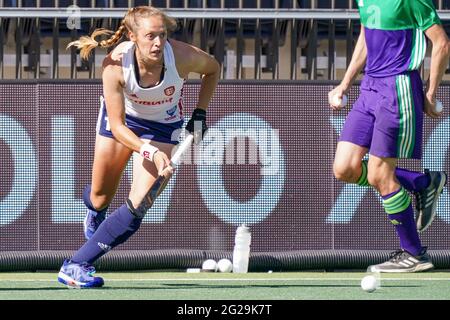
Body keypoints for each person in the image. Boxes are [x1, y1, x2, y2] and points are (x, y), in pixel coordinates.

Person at [57, 6, 220, 288]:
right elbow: (119, 127)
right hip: (121, 123)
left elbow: (213, 69)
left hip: (162, 127)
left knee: (139, 207)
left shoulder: (180, 56)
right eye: (150, 36)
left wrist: (200, 113)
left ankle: (75, 265)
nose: (158, 43)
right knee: (99, 197)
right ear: (132, 36)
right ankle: (97, 210)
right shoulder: (114, 65)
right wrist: (150, 152)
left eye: (163, 35)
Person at [329, 0, 449, 272]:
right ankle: (422, 182)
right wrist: (345, 82)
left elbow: (441, 43)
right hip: (369, 87)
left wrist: (429, 95)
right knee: (344, 167)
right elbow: (365, 35)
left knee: (378, 175)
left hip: (397, 88)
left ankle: (413, 253)